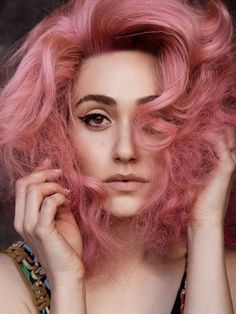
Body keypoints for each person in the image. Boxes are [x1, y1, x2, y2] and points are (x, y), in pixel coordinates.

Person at [0, 0, 235, 313]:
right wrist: (68, 282)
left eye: (155, 120)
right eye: (97, 118)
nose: (125, 150)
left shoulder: (226, 276)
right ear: (56, 130)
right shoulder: (9, 283)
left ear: (194, 130)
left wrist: (204, 226)